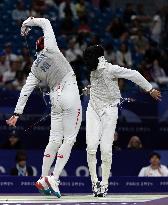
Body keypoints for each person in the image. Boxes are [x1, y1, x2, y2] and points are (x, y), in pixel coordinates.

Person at [6, 17, 82, 198]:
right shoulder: (52, 48)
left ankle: (42, 177)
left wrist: (17, 113)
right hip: (69, 91)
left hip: (54, 98)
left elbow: (25, 90)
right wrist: (26, 23)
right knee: (69, 139)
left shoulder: (34, 68)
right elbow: (45, 22)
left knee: (54, 139)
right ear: (45, 44)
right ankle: (54, 178)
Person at [83, 45, 161, 197]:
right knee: (91, 147)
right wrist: (90, 89)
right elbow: (99, 82)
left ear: (97, 59)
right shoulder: (93, 70)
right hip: (93, 109)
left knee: (105, 149)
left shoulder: (111, 69)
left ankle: (104, 184)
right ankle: (94, 182)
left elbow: (134, 74)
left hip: (110, 110)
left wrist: (150, 89)